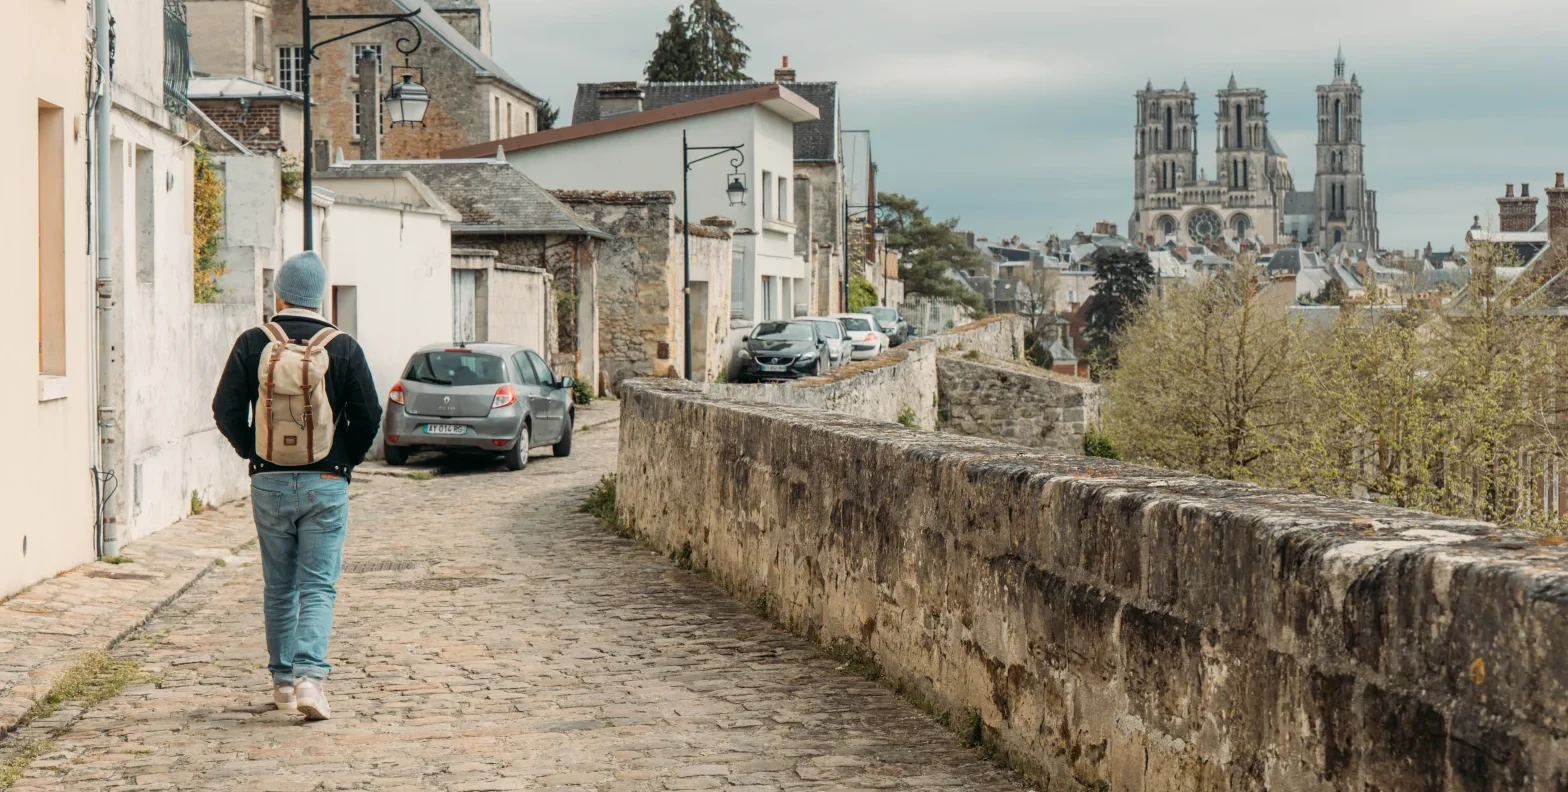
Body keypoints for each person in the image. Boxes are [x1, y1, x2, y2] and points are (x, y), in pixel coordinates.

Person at [212, 251, 381, 720]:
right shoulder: (343, 347)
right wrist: (341, 461)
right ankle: (311, 679)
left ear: (280, 294)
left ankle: (283, 682)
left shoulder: (252, 342)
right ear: (320, 296)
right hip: (325, 482)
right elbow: (369, 415)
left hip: (269, 482)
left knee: (279, 586)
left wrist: (255, 453)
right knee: (318, 587)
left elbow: (225, 409)